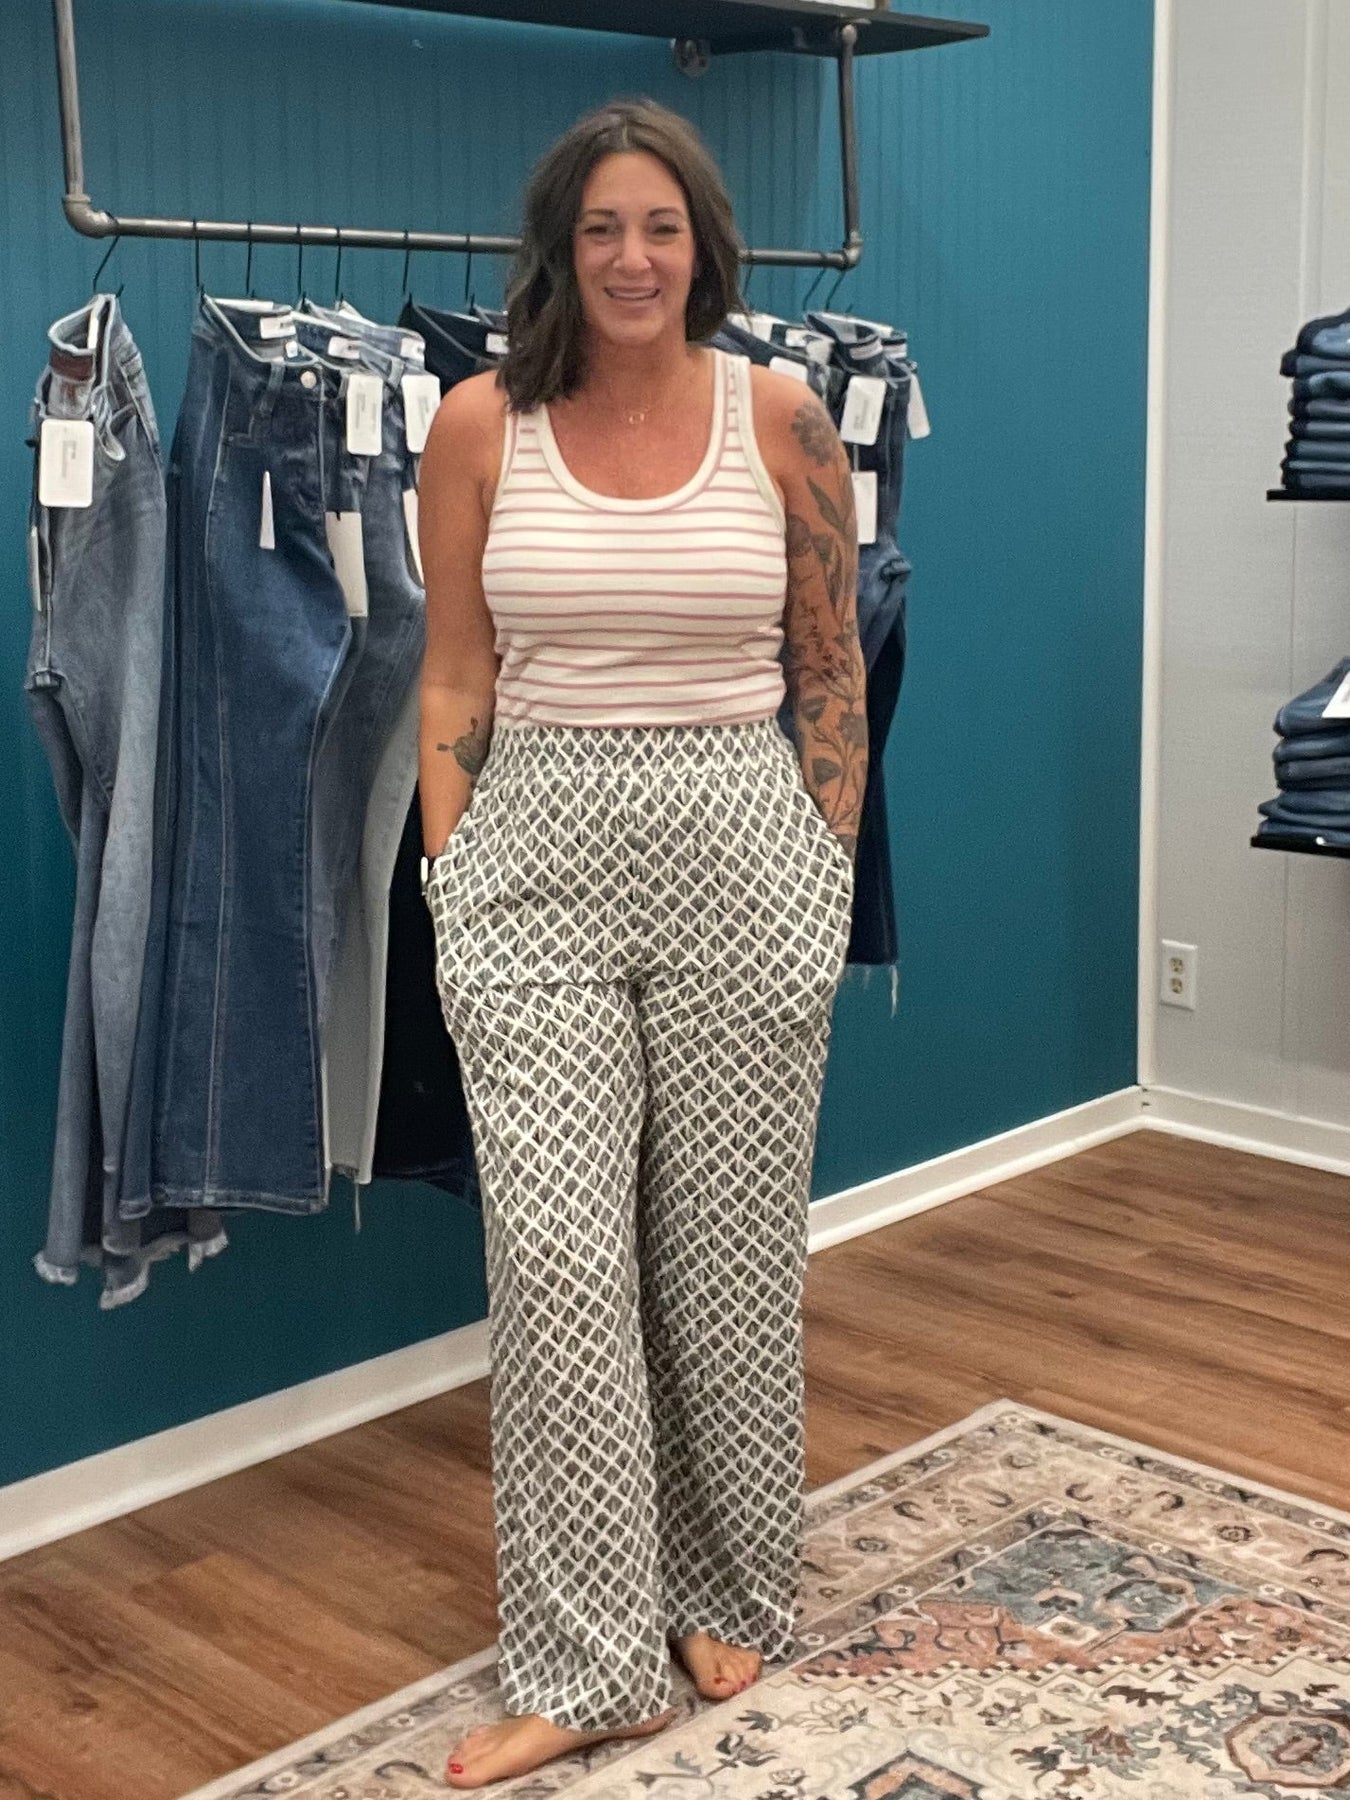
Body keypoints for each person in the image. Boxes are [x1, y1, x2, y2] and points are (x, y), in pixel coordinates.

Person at [416, 94, 867, 1790]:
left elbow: (828, 662)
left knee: (726, 1254)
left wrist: (818, 865)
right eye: (600, 227)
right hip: (531, 859)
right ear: (559, 247)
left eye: (658, 226)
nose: (630, 256)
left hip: (743, 851)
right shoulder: (478, 423)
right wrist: (455, 876)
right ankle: (588, 1657)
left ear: (702, 247)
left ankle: (721, 1584)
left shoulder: (781, 414)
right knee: (555, 1261)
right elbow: (452, 671)